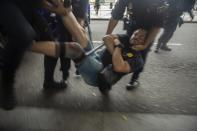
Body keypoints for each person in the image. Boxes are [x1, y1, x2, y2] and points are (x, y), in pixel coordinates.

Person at [30, 28, 147, 93]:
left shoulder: (138, 59)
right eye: (136, 33)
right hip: (96, 59)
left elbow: (119, 67)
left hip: (101, 75)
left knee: (75, 49)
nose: (136, 37)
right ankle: (65, 8)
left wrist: (118, 46)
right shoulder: (126, 38)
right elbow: (107, 38)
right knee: (81, 34)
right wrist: (117, 52)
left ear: (144, 43)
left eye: (141, 37)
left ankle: (26, 45)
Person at [43, 0, 89, 89]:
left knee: (71, 44)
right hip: (56, 19)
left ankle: (67, 71)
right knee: (56, 46)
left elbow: (81, 17)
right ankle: (57, 76)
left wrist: (78, 30)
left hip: (70, 20)